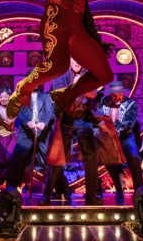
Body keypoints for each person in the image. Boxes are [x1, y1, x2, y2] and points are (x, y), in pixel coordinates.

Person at [39, 57, 102, 206]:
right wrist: (77, 85)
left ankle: (91, 195)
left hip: (82, 117)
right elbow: (60, 95)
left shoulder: (87, 74)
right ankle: (46, 195)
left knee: (91, 154)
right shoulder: (61, 75)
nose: (77, 62)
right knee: (56, 156)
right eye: (74, 59)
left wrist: (82, 85)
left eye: (79, 58)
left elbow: (93, 93)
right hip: (65, 118)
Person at [96, 81, 143, 203]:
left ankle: (140, 189)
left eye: (119, 94)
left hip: (125, 136)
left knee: (134, 158)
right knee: (109, 162)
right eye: (114, 95)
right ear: (110, 95)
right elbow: (99, 116)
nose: (117, 97)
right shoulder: (104, 102)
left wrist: (115, 129)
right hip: (109, 138)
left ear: (123, 93)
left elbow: (129, 122)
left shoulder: (131, 104)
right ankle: (119, 190)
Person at [5, 87, 54, 195]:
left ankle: (57, 189)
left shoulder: (45, 96)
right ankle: (11, 188)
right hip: (26, 132)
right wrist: (27, 122)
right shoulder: (22, 96)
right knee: (17, 159)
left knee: (49, 160)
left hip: (42, 133)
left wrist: (44, 123)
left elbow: (49, 111)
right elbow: (19, 112)